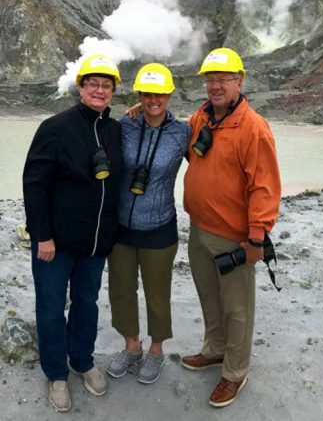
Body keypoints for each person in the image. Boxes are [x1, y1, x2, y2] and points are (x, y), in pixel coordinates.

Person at [22, 53, 124, 413]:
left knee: (87, 305)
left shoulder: (115, 131)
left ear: (113, 91)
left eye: (106, 85)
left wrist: (111, 234)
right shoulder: (55, 127)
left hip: (94, 243)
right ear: (80, 87)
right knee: (51, 309)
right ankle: (56, 373)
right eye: (93, 83)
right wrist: (42, 235)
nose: (99, 90)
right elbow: (34, 184)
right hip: (55, 243)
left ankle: (81, 360)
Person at [180, 47, 281, 408]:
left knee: (237, 307)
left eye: (223, 79)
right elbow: (179, 142)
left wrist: (257, 237)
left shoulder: (253, 128)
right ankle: (215, 349)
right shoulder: (200, 119)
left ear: (240, 80)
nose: (216, 86)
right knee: (210, 296)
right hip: (199, 230)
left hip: (234, 237)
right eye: (210, 79)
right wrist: (138, 115)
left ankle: (235, 372)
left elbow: (264, 186)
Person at [106, 63, 190, 385]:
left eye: (159, 93)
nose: (153, 99)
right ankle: (132, 347)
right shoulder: (124, 126)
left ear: (169, 94)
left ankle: (156, 351)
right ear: (139, 95)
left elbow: (210, 159)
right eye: (146, 94)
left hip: (160, 228)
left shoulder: (183, 132)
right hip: (122, 228)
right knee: (121, 290)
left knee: (157, 295)